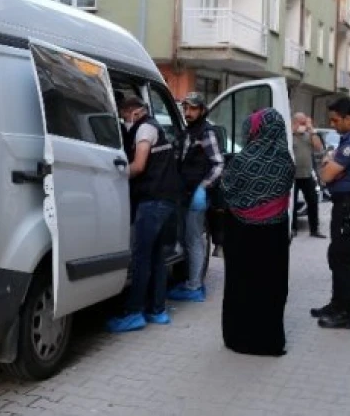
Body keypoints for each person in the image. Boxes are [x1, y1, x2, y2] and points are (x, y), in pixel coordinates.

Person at [219, 108, 294, 356]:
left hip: (242, 235)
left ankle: (239, 338)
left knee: (242, 285)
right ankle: (269, 341)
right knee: (271, 286)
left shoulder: (242, 161)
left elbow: (226, 192)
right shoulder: (286, 162)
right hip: (275, 236)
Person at [108, 96, 183, 333]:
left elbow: (139, 166)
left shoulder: (145, 129)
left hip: (153, 201)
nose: (124, 119)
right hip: (166, 200)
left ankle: (134, 313)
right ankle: (157, 310)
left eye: (123, 114)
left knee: (142, 257)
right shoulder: (155, 127)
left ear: (134, 111)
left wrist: (115, 176)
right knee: (157, 258)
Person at [310, 97, 350, 330]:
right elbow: (331, 170)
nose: (333, 124)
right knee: (337, 255)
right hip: (348, 204)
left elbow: (326, 176)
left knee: (344, 259)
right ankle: (337, 304)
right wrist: (329, 161)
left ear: (349, 119)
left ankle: (348, 313)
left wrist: (326, 160)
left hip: (349, 206)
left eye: (336, 120)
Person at [168, 93, 225, 303]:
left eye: (192, 109)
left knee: (194, 240)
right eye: (186, 108)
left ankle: (194, 286)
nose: (188, 113)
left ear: (201, 110)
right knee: (186, 238)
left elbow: (218, 164)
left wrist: (203, 187)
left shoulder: (206, 132)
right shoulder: (188, 131)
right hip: (184, 193)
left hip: (196, 196)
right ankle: (190, 281)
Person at [291, 113, 327, 238]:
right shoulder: (289, 136)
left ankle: (314, 229)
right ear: (294, 122)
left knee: (313, 202)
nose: (302, 125)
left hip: (306, 175)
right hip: (293, 176)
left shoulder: (309, 136)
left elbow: (319, 148)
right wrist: (293, 130)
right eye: (300, 123)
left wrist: (311, 130)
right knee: (292, 204)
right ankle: (293, 228)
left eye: (304, 123)